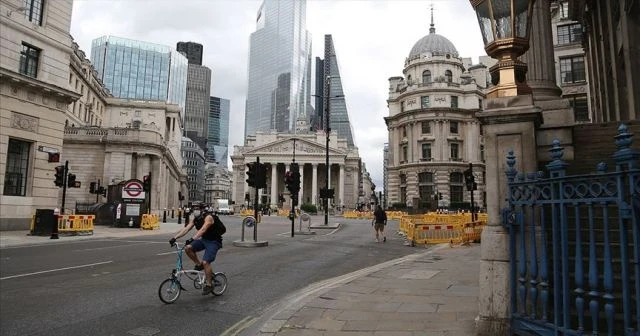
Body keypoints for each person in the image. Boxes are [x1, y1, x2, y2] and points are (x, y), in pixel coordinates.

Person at [169, 203, 226, 295]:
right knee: (188, 248)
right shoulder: (195, 219)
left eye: (197, 208)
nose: (195, 210)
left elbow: (203, 229)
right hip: (204, 240)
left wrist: (192, 239)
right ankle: (198, 265)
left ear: (202, 209)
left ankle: (209, 284)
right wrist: (175, 238)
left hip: (214, 242)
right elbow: (186, 229)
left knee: (206, 262)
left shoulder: (208, 217)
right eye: (194, 208)